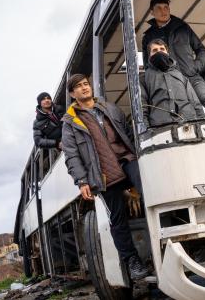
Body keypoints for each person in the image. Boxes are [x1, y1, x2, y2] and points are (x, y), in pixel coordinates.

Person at [61, 74, 150, 280]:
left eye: (85, 84)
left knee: (151, 191)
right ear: (73, 94)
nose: (84, 88)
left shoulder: (109, 108)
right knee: (117, 219)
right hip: (103, 174)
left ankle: (167, 240)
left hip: (127, 160)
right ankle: (133, 262)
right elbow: (72, 155)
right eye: (79, 87)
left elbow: (128, 131)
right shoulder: (70, 122)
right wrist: (82, 181)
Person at [141, 0, 205, 116]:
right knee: (184, 111)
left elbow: (201, 49)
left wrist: (195, 66)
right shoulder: (148, 37)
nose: (163, 11)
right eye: (159, 8)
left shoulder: (182, 27)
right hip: (170, 82)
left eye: (166, 7)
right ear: (152, 12)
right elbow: (148, 65)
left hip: (192, 76)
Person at [141, 39, 205, 127]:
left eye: (162, 49)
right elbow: (142, 107)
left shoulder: (181, 76)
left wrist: (203, 124)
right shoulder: (143, 78)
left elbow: (195, 102)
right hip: (161, 127)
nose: (159, 52)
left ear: (167, 53)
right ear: (149, 55)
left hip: (189, 123)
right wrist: (146, 129)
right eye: (155, 50)